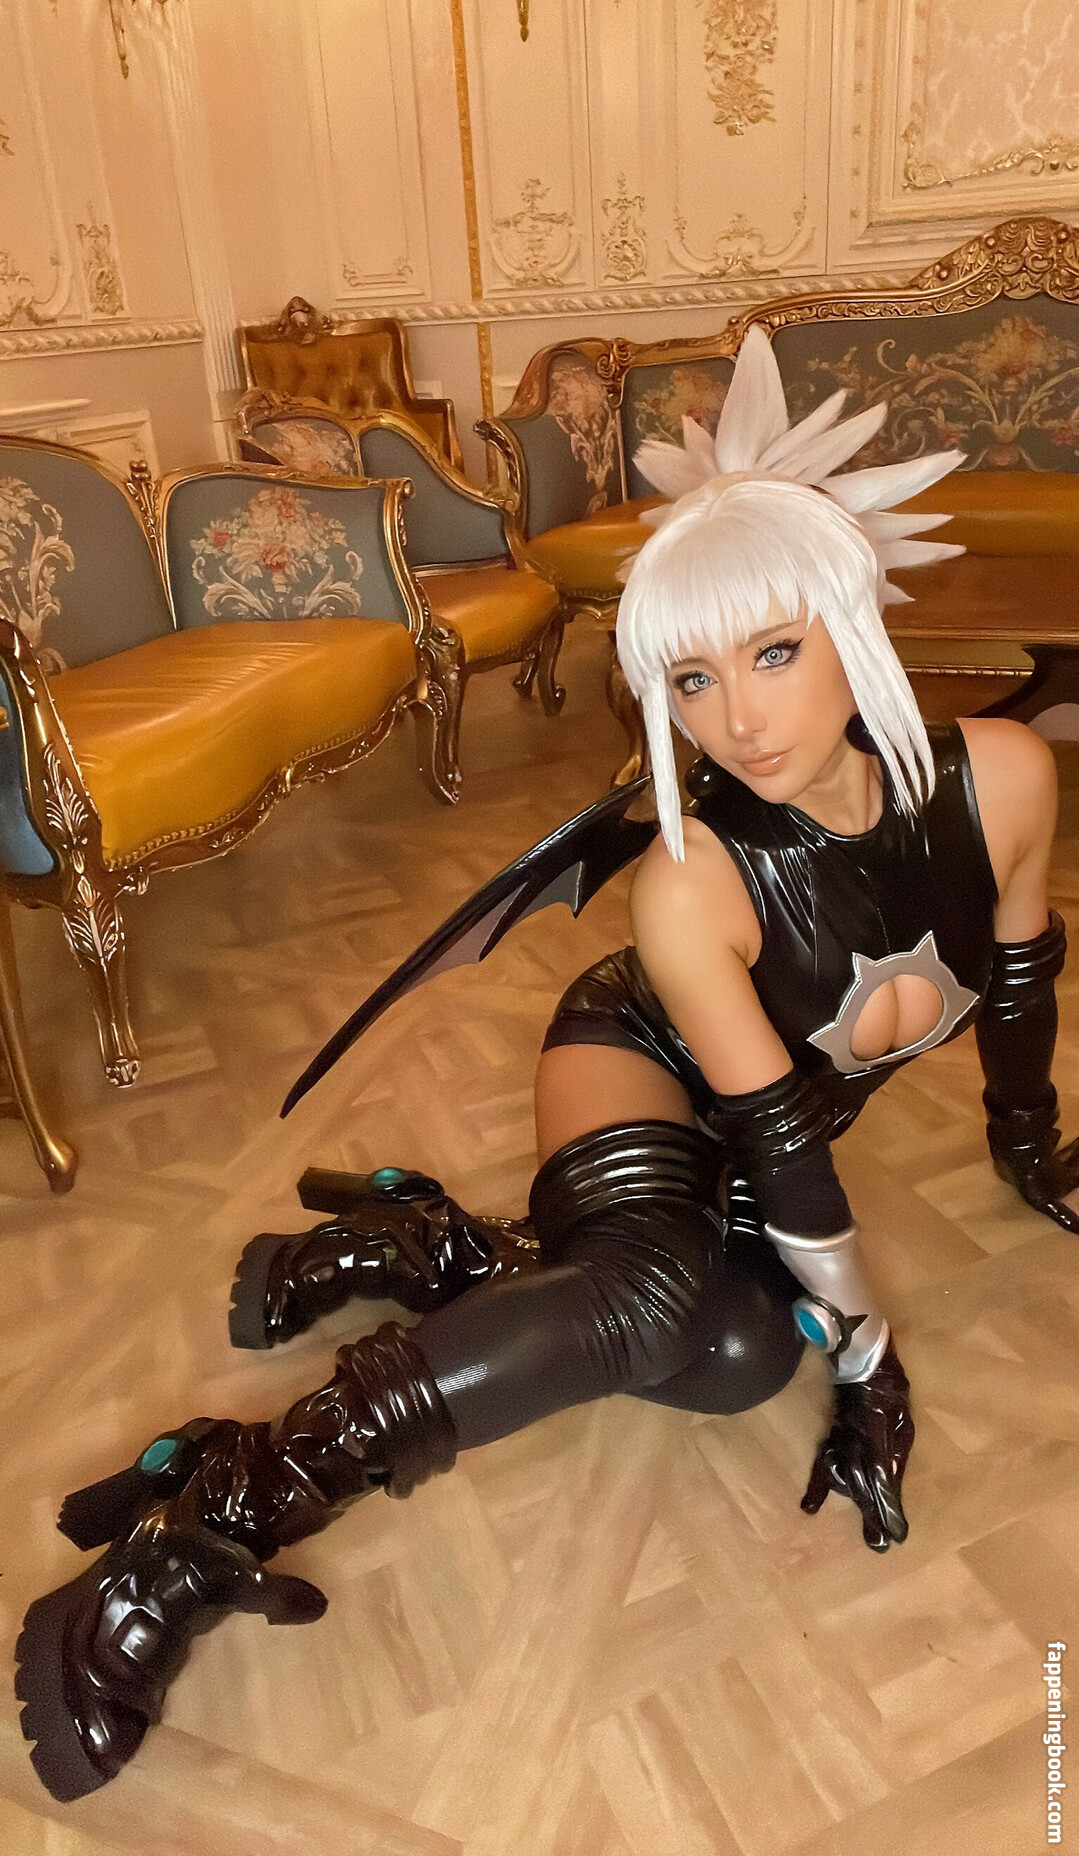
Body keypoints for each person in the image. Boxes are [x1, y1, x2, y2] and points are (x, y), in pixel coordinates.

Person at [17, 330, 1079, 1805]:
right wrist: (871, 1350)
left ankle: (423, 1245)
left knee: (736, 1357)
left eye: (775, 653)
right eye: (691, 679)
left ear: (855, 623)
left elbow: (1020, 985)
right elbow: (783, 1141)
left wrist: (1029, 1148)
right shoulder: (691, 882)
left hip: (755, 1138)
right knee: (649, 1303)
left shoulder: (1006, 781)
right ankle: (198, 1528)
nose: (739, 719)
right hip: (637, 1064)